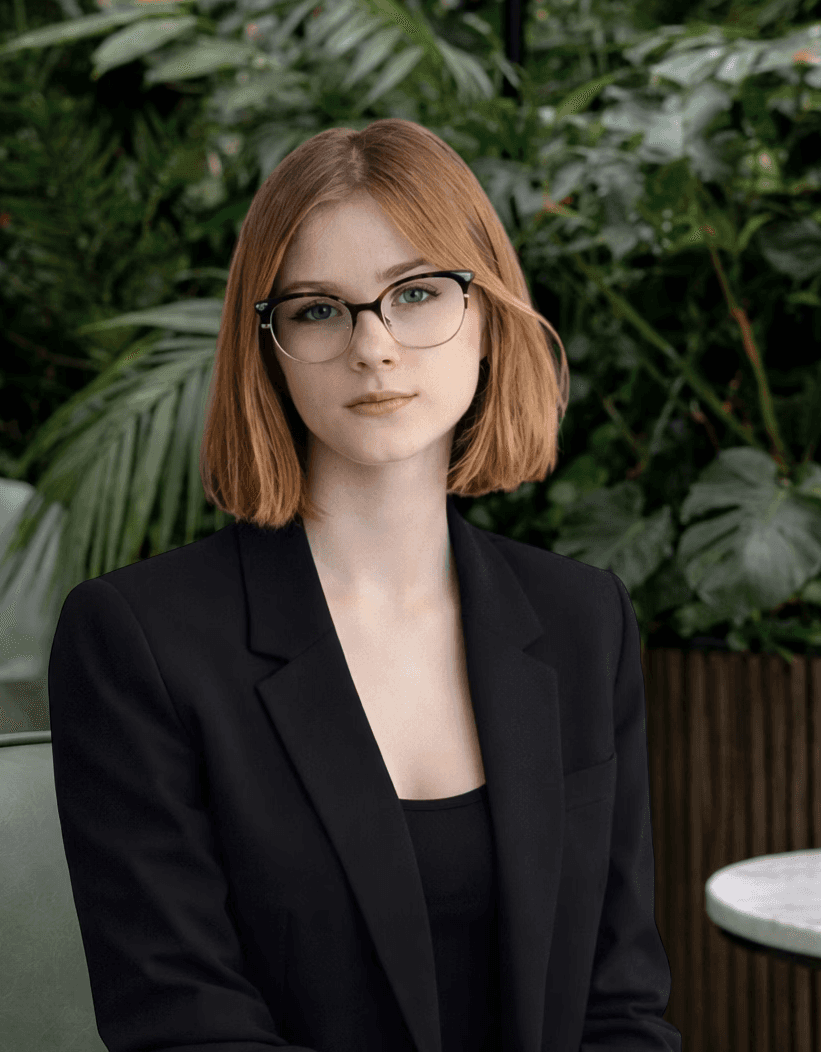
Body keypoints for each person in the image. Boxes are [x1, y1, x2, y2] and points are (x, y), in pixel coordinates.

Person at [48, 118, 682, 1052]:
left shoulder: (581, 618)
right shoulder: (138, 640)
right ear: (265, 346)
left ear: (487, 314)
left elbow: (620, 1003)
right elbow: (187, 1025)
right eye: (317, 309)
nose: (373, 346)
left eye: (416, 293)